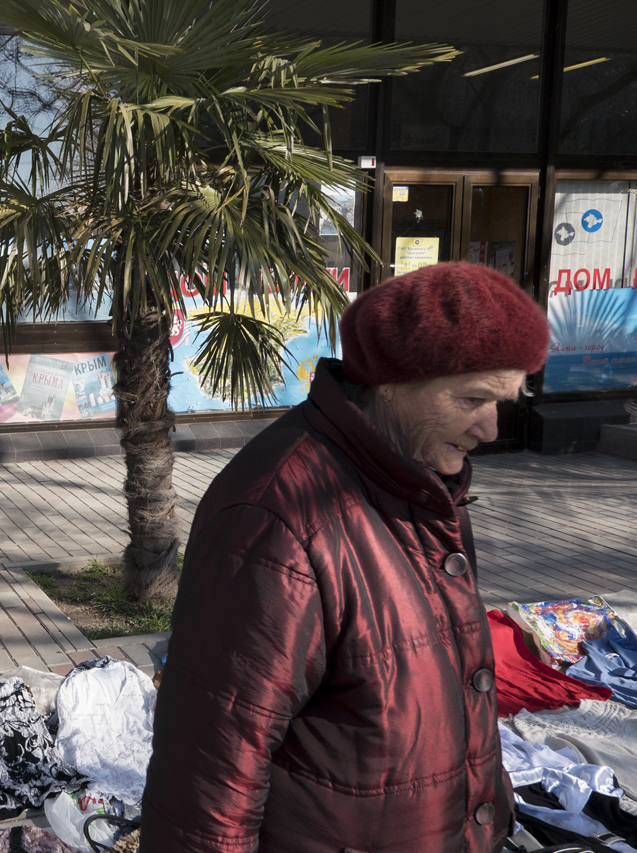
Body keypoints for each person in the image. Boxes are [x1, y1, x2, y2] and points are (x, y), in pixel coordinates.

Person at [143, 262, 550, 852]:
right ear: (390, 380)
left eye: (503, 403)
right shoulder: (278, 516)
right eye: (473, 399)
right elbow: (211, 770)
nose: (490, 428)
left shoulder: (420, 484)